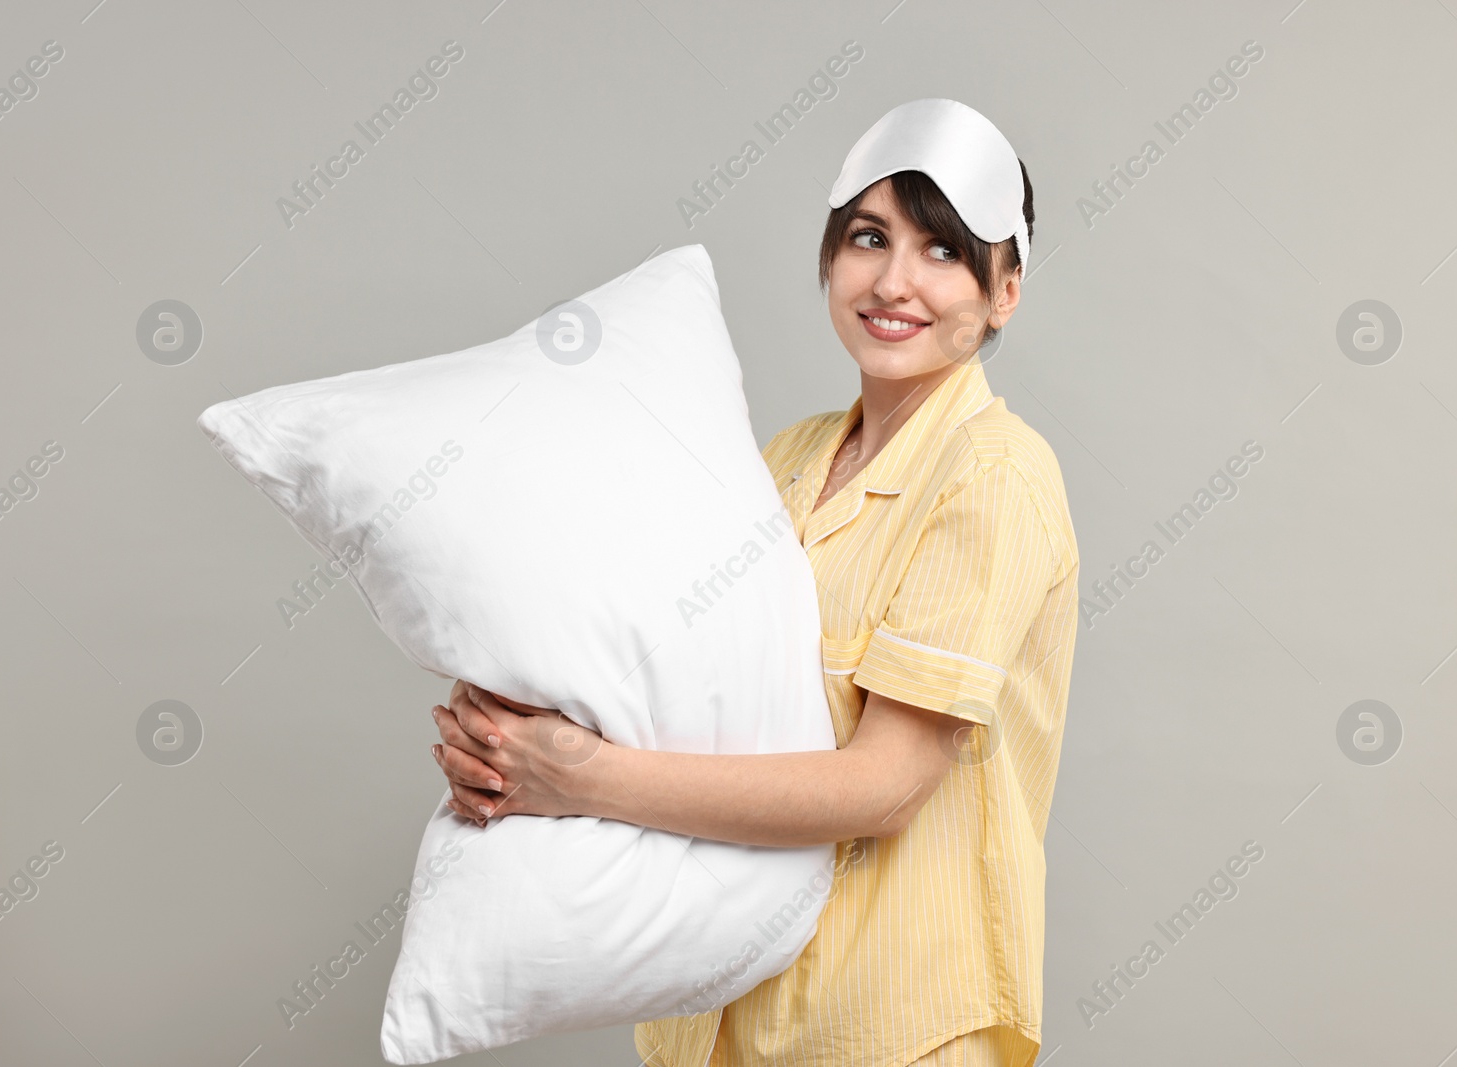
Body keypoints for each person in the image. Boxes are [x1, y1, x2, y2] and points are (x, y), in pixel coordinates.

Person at [429, 98, 1079, 1067]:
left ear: (1006, 290)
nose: (893, 281)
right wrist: (511, 740)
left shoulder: (992, 479)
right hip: (721, 1014)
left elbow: (883, 785)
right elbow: (683, 692)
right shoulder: (791, 457)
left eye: (943, 251)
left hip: (887, 1023)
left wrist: (579, 779)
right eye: (868, 238)